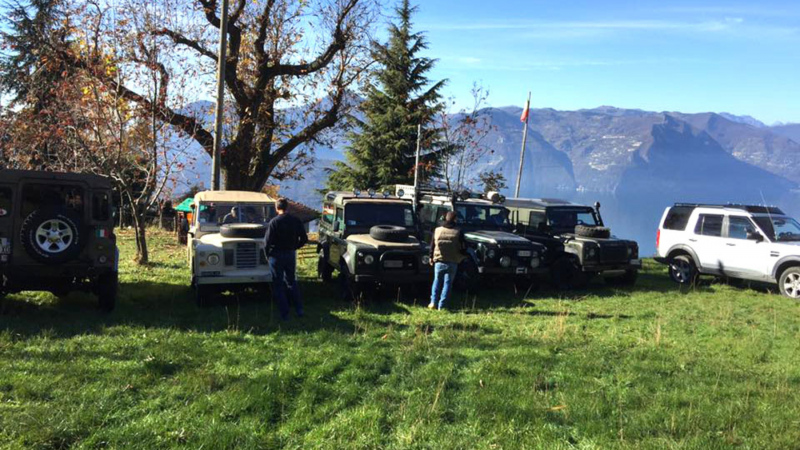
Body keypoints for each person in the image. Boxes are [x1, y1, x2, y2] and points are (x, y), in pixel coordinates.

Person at [265, 198, 308, 320]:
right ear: (287, 207)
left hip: (276, 254)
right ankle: (299, 309)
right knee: (291, 281)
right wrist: (295, 247)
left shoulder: (274, 222)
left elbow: (267, 242)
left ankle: (285, 313)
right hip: (290, 253)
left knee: (278, 284)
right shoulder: (296, 220)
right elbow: (304, 239)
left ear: (276, 208)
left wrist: (267, 255)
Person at [429, 211, 467, 310]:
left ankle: (433, 302)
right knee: (447, 284)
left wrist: (430, 257)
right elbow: (463, 247)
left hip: (439, 260)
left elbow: (432, 245)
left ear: (445, 218)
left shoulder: (437, 230)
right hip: (453, 261)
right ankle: (442, 305)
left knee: (436, 281)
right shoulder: (458, 231)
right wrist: (463, 255)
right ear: (455, 219)